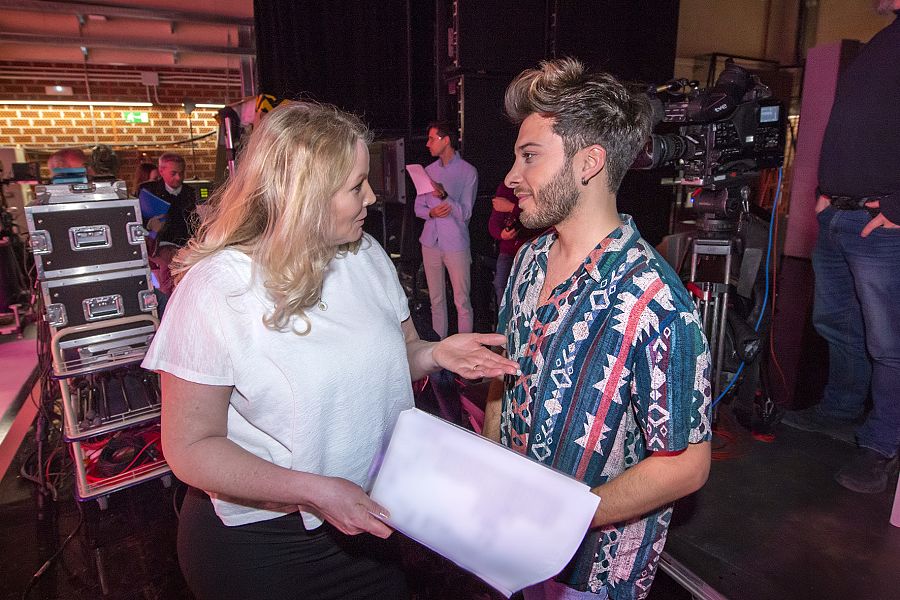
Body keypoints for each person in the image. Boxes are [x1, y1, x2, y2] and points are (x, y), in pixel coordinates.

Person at [140, 101, 519, 600]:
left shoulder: (366, 255)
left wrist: (436, 353)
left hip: (367, 524)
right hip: (264, 550)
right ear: (305, 196)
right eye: (355, 185)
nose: (372, 195)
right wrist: (312, 489)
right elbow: (190, 447)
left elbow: (399, 355)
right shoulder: (219, 287)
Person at [483, 58, 712, 600]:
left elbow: (685, 466)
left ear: (589, 163)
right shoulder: (530, 259)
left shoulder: (655, 302)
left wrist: (565, 517)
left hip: (592, 573)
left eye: (530, 156)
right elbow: (504, 373)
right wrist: (493, 472)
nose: (513, 175)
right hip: (511, 543)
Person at [782, 0, 900, 494]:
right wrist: (826, 200)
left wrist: (896, 208)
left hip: (880, 223)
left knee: (889, 344)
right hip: (840, 215)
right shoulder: (886, 38)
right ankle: (839, 410)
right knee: (836, 322)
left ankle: (883, 446)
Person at [414, 121, 478, 338]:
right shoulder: (428, 171)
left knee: (462, 300)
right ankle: (438, 353)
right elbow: (418, 208)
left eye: (432, 139)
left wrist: (445, 197)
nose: (428, 144)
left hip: (456, 244)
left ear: (446, 140)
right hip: (430, 242)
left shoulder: (468, 171)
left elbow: (466, 213)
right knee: (436, 300)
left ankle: (465, 351)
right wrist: (431, 213)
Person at [139, 153, 197, 295]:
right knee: (169, 268)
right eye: (174, 173)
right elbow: (137, 221)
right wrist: (149, 224)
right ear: (161, 171)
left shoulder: (189, 192)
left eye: (181, 173)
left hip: (184, 244)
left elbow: (193, 221)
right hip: (159, 245)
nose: (178, 177)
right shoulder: (149, 190)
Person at [487, 182, 541, 310]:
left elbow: (540, 216)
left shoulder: (536, 183)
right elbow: (493, 223)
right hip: (508, 252)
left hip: (532, 249)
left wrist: (512, 208)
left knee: (529, 292)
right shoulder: (506, 187)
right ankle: (505, 327)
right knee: (502, 287)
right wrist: (502, 234)